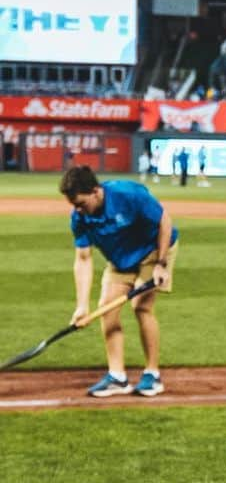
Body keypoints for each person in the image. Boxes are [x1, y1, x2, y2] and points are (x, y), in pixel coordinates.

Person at [60, 165, 178, 397]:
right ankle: (117, 377)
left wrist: (161, 264)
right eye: (74, 206)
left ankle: (152, 375)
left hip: (153, 250)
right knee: (107, 308)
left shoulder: (127, 195)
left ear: (96, 191)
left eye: (81, 204)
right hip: (121, 258)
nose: (78, 211)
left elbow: (164, 220)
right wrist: (82, 306)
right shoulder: (79, 217)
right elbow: (83, 259)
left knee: (141, 306)